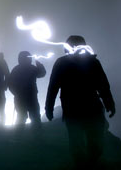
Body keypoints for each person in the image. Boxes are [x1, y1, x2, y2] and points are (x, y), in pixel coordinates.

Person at [45, 35, 116, 167]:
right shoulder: (91, 62)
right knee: (85, 142)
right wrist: (109, 103)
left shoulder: (87, 62)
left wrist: (48, 108)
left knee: (84, 142)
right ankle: (86, 164)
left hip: (78, 108)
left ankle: (86, 163)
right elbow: (103, 86)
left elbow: (103, 85)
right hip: (85, 107)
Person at [8, 51, 46, 129]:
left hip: (21, 98)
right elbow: (42, 73)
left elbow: (10, 84)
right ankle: (37, 137)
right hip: (31, 97)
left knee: (22, 117)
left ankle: (18, 137)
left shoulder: (16, 69)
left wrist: (16, 93)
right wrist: (39, 65)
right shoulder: (32, 68)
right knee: (34, 117)